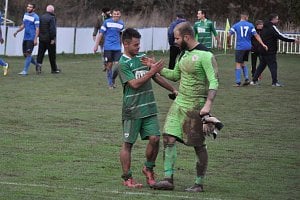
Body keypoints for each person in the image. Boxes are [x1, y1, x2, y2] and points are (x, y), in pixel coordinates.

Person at [146, 22, 219, 192]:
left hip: (196, 107)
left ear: (187, 37)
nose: (176, 42)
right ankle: (167, 179)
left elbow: (214, 81)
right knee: (168, 138)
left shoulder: (206, 55)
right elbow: (175, 75)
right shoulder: (183, 55)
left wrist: (208, 104)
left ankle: (199, 183)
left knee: (198, 145)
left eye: (177, 38)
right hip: (179, 104)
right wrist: (155, 67)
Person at [118, 28, 178, 188]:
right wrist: (152, 71)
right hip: (132, 110)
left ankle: (148, 169)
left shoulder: (142, 58)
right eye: (135, 45)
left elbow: (156, 77)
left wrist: (173, 90)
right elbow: (135, 84)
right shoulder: (122, 64)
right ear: (126, 44)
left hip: (149, 108)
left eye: (139, 44)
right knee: (128, 144)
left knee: (155, 138)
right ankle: (127, 178)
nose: (138, 47)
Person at [250, 13, 300, 87]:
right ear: (273, 19)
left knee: (262, 65)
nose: (277, 20)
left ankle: (254, 81)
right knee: (273, 66)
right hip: (270, 50)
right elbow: (280, 36)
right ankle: (275, 82)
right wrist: (293, 40)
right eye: (277, 19)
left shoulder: (264, 26)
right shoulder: (272, 27)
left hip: (262, 49)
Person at [227, 11, 267, 87]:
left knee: (238, 64)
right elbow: (256, 35)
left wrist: (228, 43)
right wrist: (263, 44)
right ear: (246, 17)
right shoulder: (250, 25)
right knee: (243, 63)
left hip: (240, 47)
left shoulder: (236, 25)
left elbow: (228, 35)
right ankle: (246, 79)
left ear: (241, 17)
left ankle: (238, 82)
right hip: (248, 47)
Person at [94, 8, 124, 89]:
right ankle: (110, 83)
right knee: (109, 65)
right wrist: (96, 45)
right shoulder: (106, 22)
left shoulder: (121, 24)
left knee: (118, 65)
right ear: (112, 15)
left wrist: (122, 45)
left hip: (117, 48)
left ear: (120, 15)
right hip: (108, 47)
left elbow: (121, 35)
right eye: (115, 14)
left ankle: (113, 79)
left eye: (118, 14)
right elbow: (100, 34)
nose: (116, 15)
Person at [13, 3, 39, 76]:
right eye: (28, 6)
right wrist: (17, 31)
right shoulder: (25, 15)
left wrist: (35, 39)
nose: (28, 8)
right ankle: (37, 64)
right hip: (25, 37)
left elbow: (37, 29)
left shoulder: (36, 17)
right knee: (25, 54)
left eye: (30, 7)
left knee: (28, 54)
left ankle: (25, 71)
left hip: (31, 38)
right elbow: (23, 25)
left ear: (33, 9)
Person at [36, 4, 60, 74]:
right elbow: (52, 29)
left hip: (41, 39)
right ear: (52, 11)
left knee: (40, 54)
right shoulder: (52, 18)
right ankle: (54, 69)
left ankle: (38, 68)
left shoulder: (41, 17)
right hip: (49, 40)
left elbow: (39, 27)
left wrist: (38, 36)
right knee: (52, 55)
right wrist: (53, 38)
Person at [92, 7, 111, 71]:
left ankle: (108, 63)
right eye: (108, 11)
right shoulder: (99, 18)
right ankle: (105, 64)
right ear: (104, 12)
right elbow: (96, 27)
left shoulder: (111, 18)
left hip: (110, 38)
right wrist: (94, 34)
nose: (109, 12)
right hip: (102, 38)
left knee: (109, 52)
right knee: (103, 52)